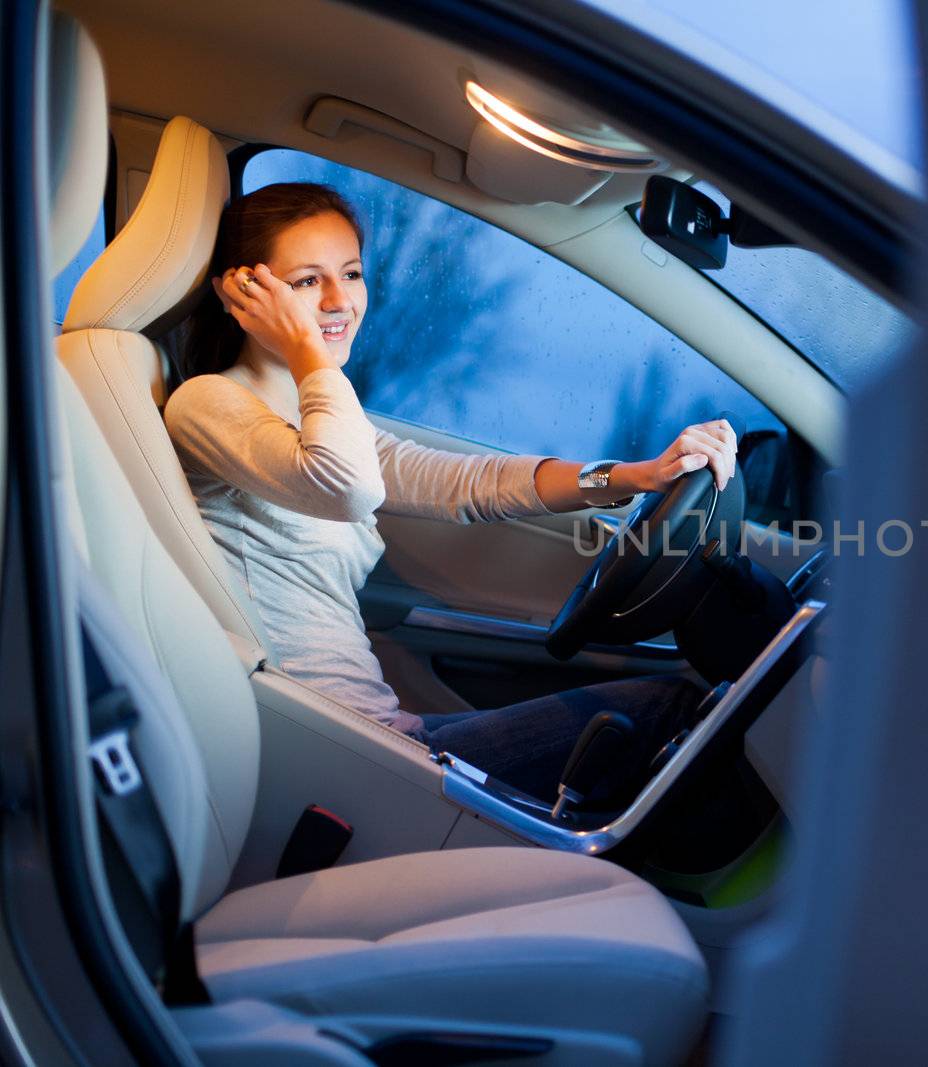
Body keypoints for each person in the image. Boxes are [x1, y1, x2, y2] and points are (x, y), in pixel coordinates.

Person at [164, 181, 737, 802]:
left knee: (680, 717)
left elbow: (474, 485)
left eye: (352, 274)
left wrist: (638, 475)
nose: (339, 301)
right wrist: (310, 356)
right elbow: (351, 489)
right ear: (240, 293)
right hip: (341, 750)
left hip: (380, 735)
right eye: (306, 282)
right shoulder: (209, 402)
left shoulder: (320, 415)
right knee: (667, 713)